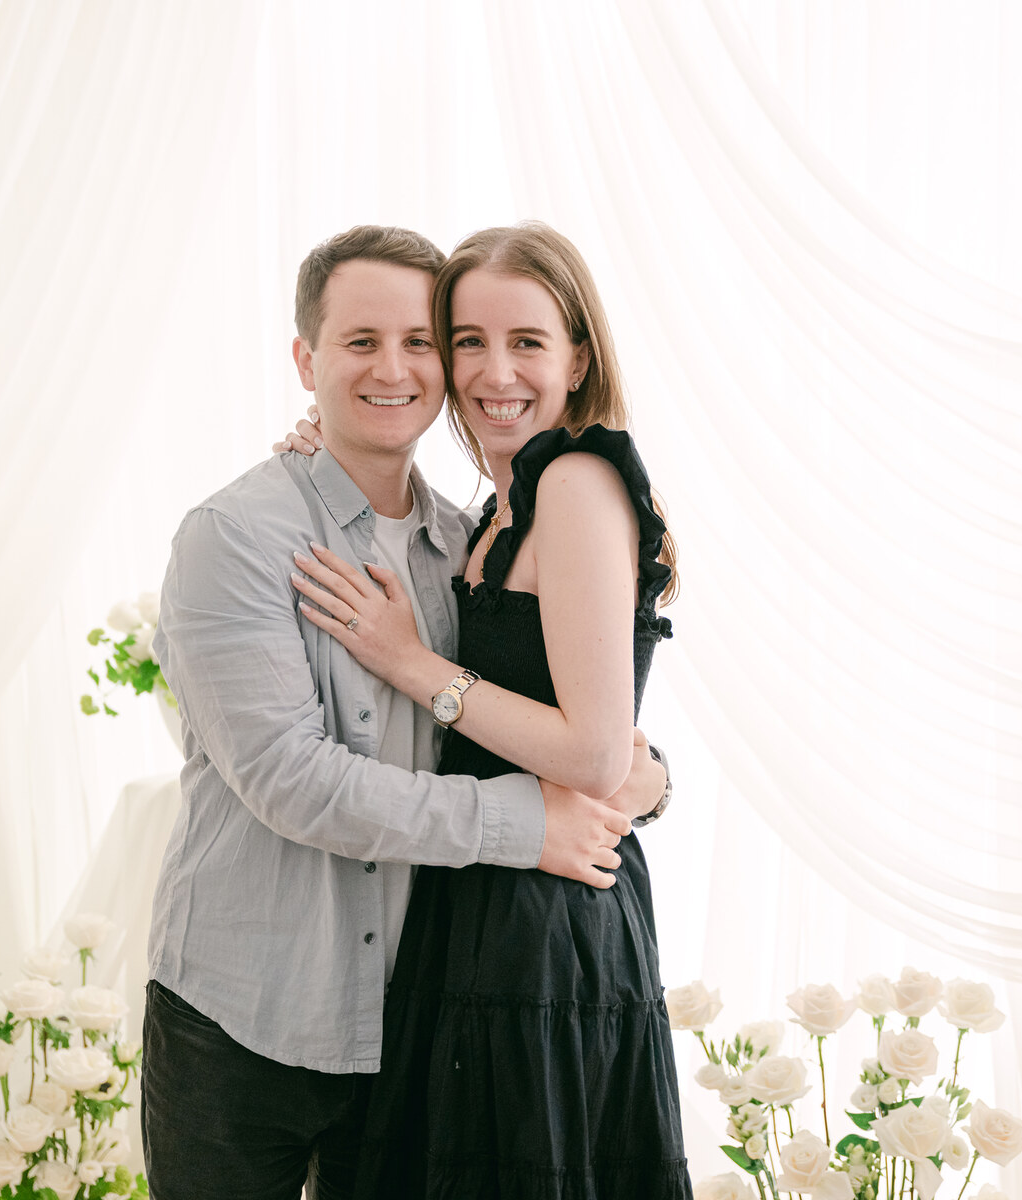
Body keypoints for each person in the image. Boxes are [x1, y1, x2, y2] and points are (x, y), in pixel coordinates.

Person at [142, 225, 671, 1200]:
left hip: (415, 1013)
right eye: (358, 343)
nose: (398, 368)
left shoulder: (461, 539)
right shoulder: (237, 537)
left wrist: (640, 772)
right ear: (306, 360)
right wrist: (533, 820)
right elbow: (297, 784)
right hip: (246, 1019)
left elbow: (554, 708)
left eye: (422, 341)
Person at [289, 221, 690, 1197]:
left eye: (527, 343)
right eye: (467, 341)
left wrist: (413, 663)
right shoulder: (496, 509)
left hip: (544, 924)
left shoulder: (580, 484)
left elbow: (593, 756)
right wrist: (325, 446)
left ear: (578, 356)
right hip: (476, 892)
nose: (492, 371)